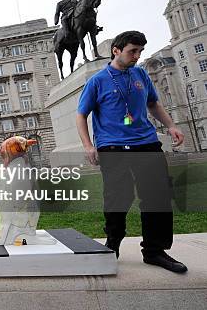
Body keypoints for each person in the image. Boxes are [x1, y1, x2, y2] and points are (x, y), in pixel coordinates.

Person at [76, 31, 187, 273]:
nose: (137, 56)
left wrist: (171, 126)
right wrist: (88, 145)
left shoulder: (140, 74)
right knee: (118, 197)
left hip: (146, 143)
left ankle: (155, 251)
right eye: (132, 51)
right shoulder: (97, 81)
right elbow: (81, 114)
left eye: (140, 51)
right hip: (112, 146)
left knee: (157, 196)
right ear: (116, 50)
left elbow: (154, 104)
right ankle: (113, 243)